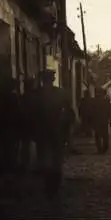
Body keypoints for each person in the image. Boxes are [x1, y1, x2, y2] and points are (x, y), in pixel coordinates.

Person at [35, 69, 71, 197]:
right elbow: (69, 113)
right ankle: (55, 182)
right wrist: (66, 130)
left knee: (45, 157)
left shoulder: (36, 94)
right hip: (56, 130)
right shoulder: (60, 93)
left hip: (42, 130)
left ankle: (48, 183)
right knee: (56, 157)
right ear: (53, 79)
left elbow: (30, 114)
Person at [92, 88, 110, 153]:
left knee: (97, 135)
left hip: (97, 120)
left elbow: (92, 112)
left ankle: (100, 148)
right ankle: (105, 146)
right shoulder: (106, 101)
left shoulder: (95, 101)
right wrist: (109, 119)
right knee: (105, 134)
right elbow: (109, 111)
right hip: (104, 120)